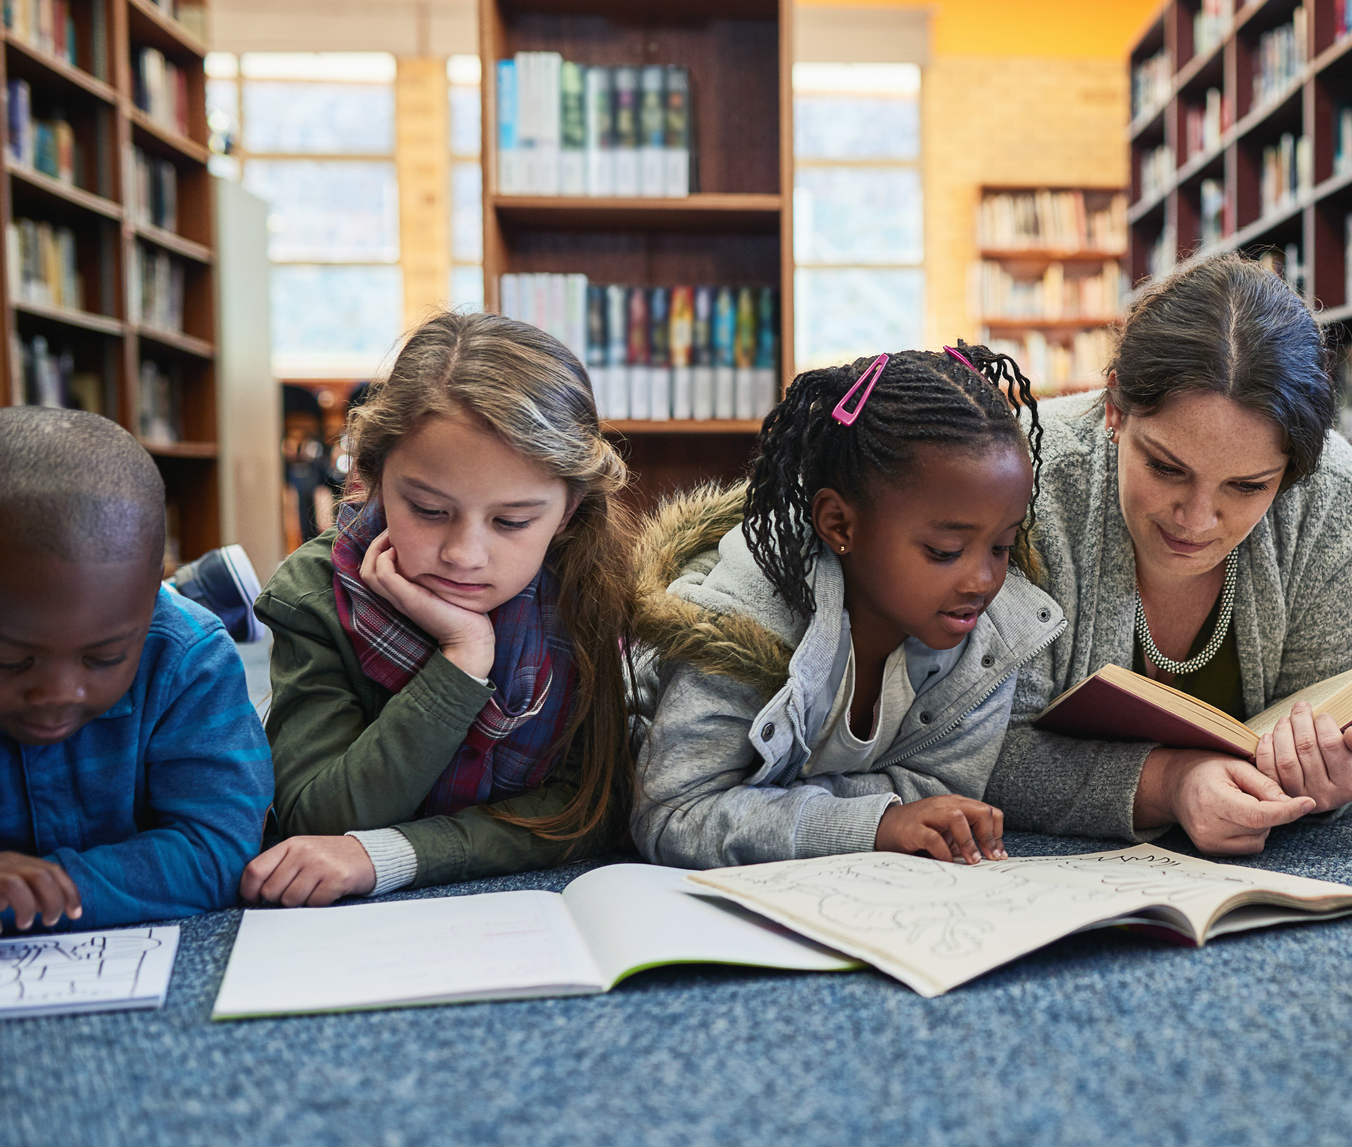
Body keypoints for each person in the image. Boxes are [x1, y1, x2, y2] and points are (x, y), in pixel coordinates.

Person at [985, 254, 1352, 855]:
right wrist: (1169, 784)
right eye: (1166, 467)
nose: (1196, 520)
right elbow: (973, 747)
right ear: (1115, 408)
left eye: (1249, 487)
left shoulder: (1328, 493)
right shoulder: (1027, 478)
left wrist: (1340, 773)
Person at [241, 311, 639, 906]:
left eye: (512, 521)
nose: (463, 555)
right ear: (372, 476)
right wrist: (462, 660)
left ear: (569, 509)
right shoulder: (316, 592)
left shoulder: (593, 588)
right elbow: (318, 819)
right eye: (428, 509)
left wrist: (391, 854)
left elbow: (588, 808)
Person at [631, 343, 1061, 868]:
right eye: (944, 551)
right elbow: (674, 813)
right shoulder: (740, 623)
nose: (984, 579)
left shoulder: (990, 640)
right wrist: (874, 823)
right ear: (839, 525)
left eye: (1002, 546)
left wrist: (883, 819)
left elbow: (935, 791)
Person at [0, 407, 270, 930]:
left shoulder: (189, 657)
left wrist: (46, 890)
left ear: (153, 598)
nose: (58, 692)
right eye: (10, 659)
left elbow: (219, 850)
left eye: (103, 658)